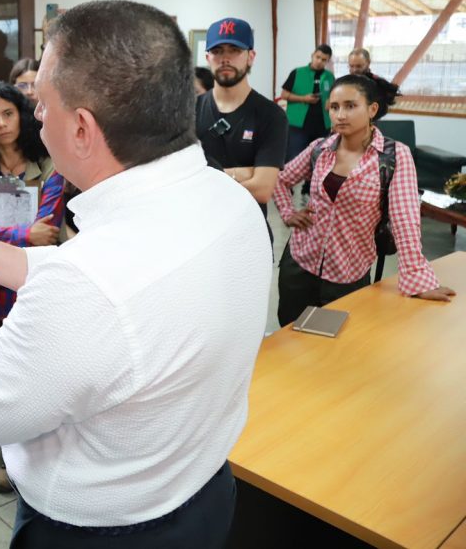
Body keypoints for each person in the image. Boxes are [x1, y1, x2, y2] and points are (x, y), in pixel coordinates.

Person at [0, 0, 270, 548]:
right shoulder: (230, 200)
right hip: (203, 493)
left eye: (43, 106)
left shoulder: (89, 285)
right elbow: (95, 276)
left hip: (103, 533)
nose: (35, 117)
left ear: (82, 128)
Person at [273, 74, 455, 326]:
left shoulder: (393, 156)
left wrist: (416, 278)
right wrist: (287, 212)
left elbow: (405, 220)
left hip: (347, 272)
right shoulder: (320, 148)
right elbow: (281, 179)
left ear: (372, 109)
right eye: (334, 107)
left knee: (334, 346)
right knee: (289, 333)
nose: (340, 115)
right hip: (299, 263)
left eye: (350, 106)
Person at [0, 82, 65, 493]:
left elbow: (50, 228)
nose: (2, 124)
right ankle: (10, 455)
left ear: (21, 115)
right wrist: (23, 234)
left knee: (41, 367)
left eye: (8, 114)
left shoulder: (50, 164)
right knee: (2, 368)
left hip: (37, 284)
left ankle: (44, 451)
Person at [195, 17, 287, 221]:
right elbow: (177, 178)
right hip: (199, 227)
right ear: (208, 57)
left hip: (249, 230)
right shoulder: (188, 111)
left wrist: (204, 177)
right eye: (218, 51)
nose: (225, 58)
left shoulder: (271, 115)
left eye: (234, 50)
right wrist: (244, 173)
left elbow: (263, 189)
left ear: (250, 56)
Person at [280, 44, 334, 162]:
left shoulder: (330, 77)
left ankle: (312, 181)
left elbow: (333, 97)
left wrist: (331, 102)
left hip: (322, 126)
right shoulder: (297, 72)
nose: (319, 61)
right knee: (295, 159)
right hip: (298, 126)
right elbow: (284, 95)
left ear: (328, 61)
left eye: (324, 59)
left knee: (319, 160)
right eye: (317, 57)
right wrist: (303, 99)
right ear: (312, 55)